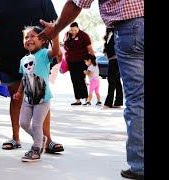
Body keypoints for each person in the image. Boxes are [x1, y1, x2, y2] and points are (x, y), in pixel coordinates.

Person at [38, 0, 144, 179]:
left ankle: (141, 165)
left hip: (131, 28)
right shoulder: (73, 39)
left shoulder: (84, 36)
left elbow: (77, 3)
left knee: (138, 99)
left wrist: (55, 29)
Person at [0, 0, 64, 154]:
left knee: (40, 96)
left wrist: (56, 46)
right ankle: (15, 138)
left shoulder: (43, 1)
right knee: (15, 97)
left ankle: (48, 140)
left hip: (37, 57)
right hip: (6, 57)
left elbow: (54, 24)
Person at [13, 25, 60, 162]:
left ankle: (36, 149)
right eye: (26, 37)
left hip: (43, 98)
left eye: (33, 36)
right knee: (23, 123)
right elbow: (24, 78)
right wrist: (19, 92)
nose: (29, 39)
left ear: (43, 40)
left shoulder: (45, 54)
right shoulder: (23, 60)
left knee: (37, 125)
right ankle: (41, 139)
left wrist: (55, 34)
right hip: (28, 98)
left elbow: (56, 51)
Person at [63, 22, 95, 105]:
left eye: (75, 30)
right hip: (71, 61)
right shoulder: (68, 35)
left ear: (78, 28)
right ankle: (77, 100)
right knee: (74, 80)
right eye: (71, 30)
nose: (73, 32)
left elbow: (89, 48)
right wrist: (66, 38)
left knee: (81, 79)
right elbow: (65, 46)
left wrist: (93, 59)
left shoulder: (84, 35)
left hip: (81, 61)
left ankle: (86, 99)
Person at [102, 27, 123, 109]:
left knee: (111, 80)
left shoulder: (113, 34)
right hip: (115, 60)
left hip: (114, 60)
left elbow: (113, 48)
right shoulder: (112, 34)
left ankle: (108, 103)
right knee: (117, 81)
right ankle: (118, 102)